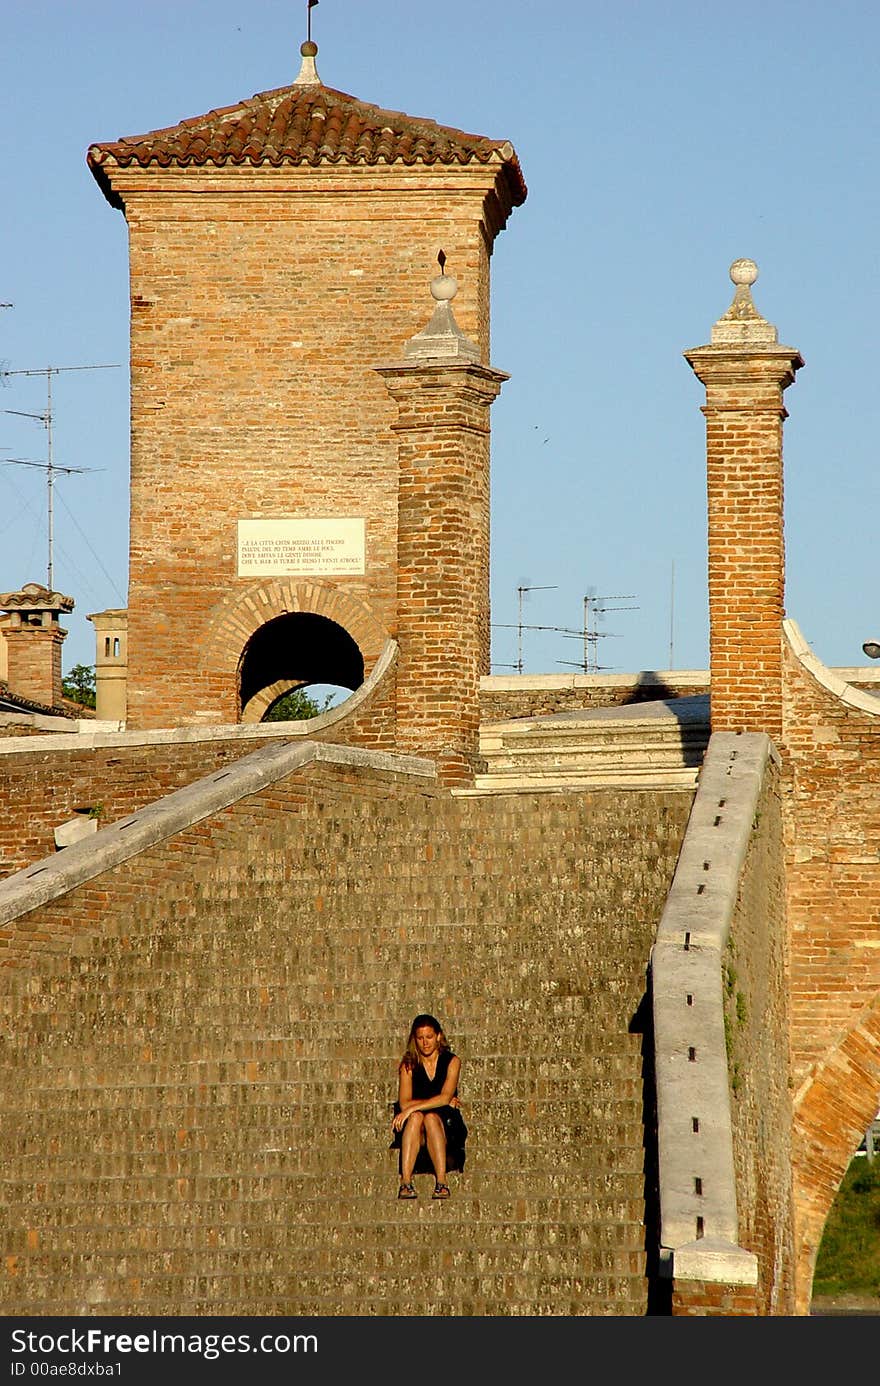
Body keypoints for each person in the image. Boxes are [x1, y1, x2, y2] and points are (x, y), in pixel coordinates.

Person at [390, 1013, 467, 1200]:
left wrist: (411, 1108)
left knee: (431, 1118)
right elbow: (404, 1101)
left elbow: (446, 1096)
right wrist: (434, 1101)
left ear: (438, 1036)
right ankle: (405, 1182)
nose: (425, 1043)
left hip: (445, 1125)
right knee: (417, 1117)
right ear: (414, 1039)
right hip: (416, 1130)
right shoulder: (408, 1065)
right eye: (420, 1038)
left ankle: (441, 1182)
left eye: (429, 1037)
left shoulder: (452, 1061)